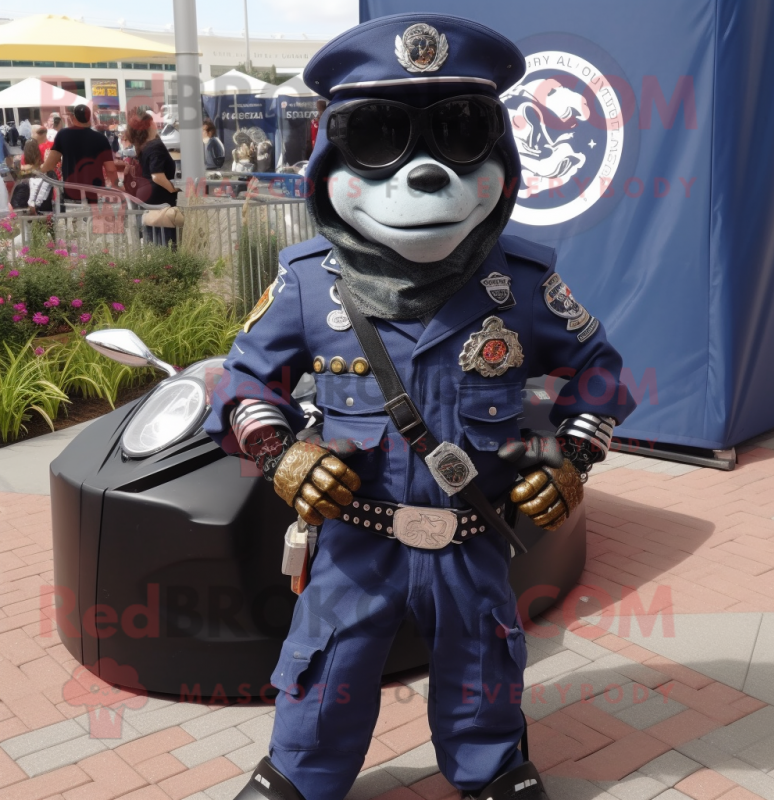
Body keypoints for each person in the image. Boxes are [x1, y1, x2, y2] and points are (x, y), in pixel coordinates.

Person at [205, 14, 637, 800]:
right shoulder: (308, 284)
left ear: (501, 156)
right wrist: (282, 454)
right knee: (327, 666)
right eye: (377, 137)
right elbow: (241, 382)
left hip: (471, 538)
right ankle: (299, 777)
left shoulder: (526, 286)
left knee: (483, 665)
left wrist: (568, 462)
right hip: (353, 541)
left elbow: (601, 375)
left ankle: (493, 768)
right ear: (330, 162)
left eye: (460, 133)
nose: (425, 172)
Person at [126, 107, 179, 246]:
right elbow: (157, 176)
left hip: (147, 195)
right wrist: (172, 189)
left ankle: (154, 263)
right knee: (167, 243)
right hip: (160, 196)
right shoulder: (156, 146)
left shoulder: (142, 146)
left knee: (153, 239)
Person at [42, 104, 117, 202]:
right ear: (89, 118)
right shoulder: (101, 139)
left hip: (71, 194)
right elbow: (110, 169)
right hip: (95, 194)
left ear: (73, 117)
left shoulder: (63, 135)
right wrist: (117, 186)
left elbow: (49, 166)